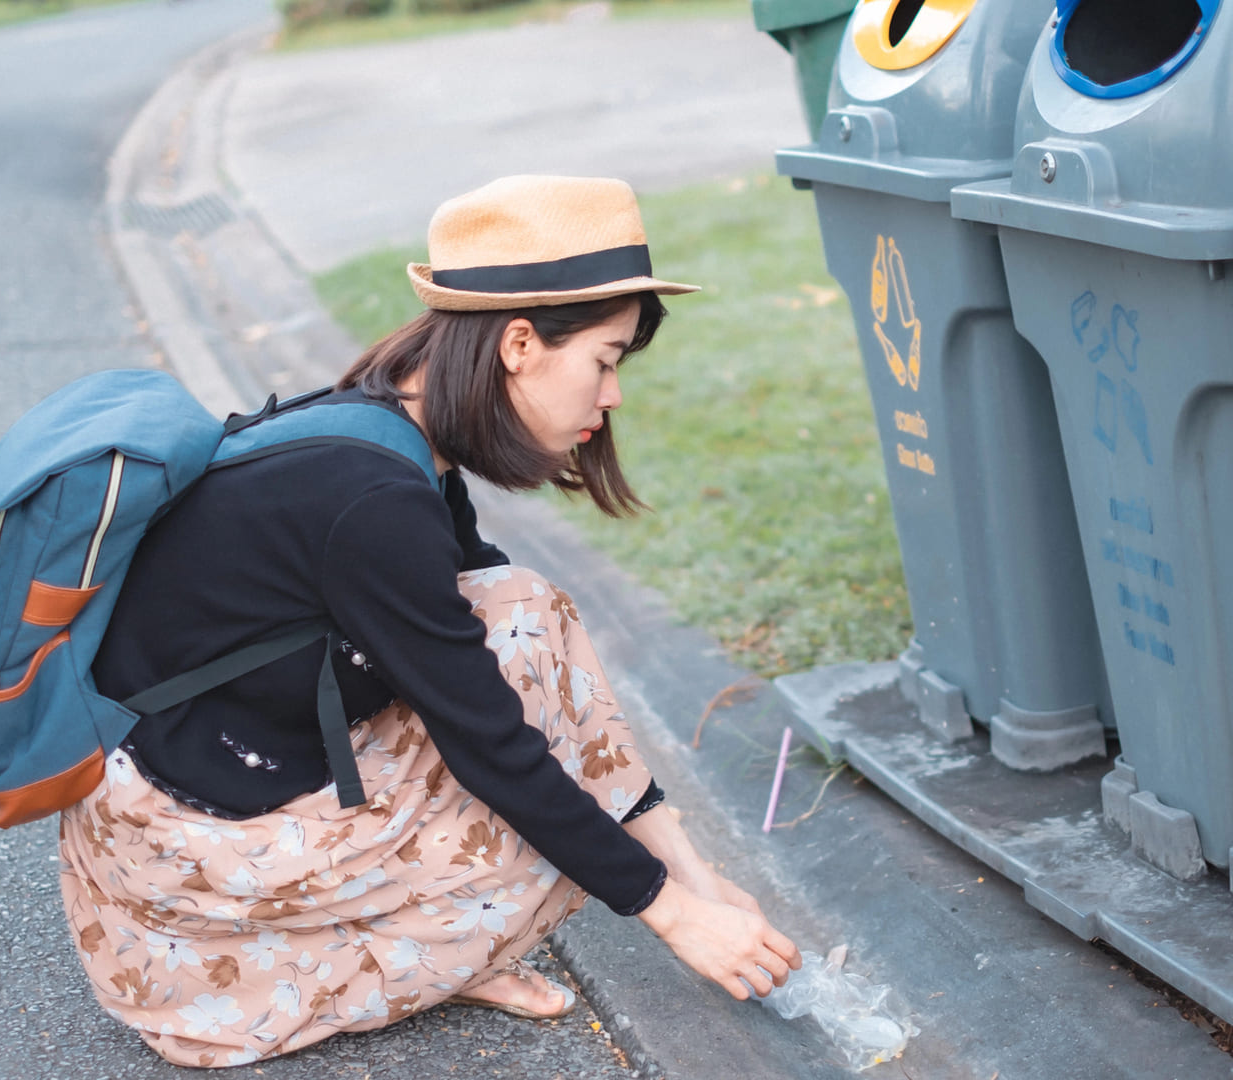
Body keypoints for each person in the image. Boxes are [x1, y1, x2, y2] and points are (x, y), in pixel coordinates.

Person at [58, 175, 802, 1067]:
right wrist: (672, 912)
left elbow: (508, 638)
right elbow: (490, 743)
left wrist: (695, 871)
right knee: (539, 847)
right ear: (520, 343)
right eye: (605, 361)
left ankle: (422, 942)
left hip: (206, 776)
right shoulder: (371, 500)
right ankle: (408, 960)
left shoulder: (389, 429)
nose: (612, 398)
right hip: (184, 852)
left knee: (525, 614)